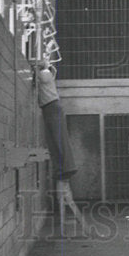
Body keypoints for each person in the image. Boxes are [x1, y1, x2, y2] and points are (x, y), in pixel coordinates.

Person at [36, 62, 85, 226]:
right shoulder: (48, 74)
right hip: (50, 107)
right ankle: (63, 170)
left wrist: (37, 67)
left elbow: (41, 75)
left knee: (58, 141)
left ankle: (64, 169)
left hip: (51, 106)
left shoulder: (45, 74)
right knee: (55, 142)